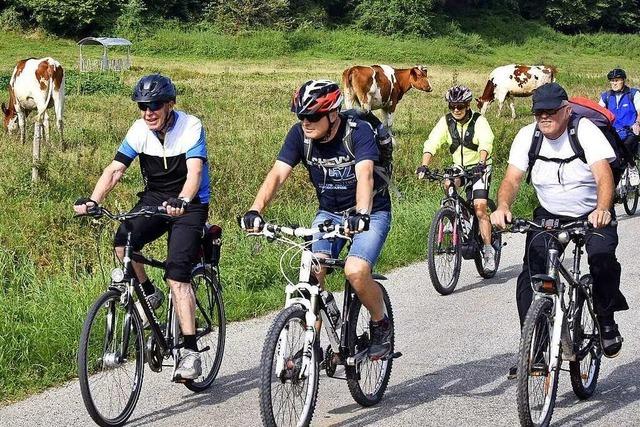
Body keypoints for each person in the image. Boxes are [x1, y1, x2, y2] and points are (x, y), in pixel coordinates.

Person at [239, 79, 393, 359]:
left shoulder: (357, 134)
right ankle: (313, 345)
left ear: (333, 114)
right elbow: (277, 174)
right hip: (329, 213)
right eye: (301, 116)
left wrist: (361, 215)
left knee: (356, 271)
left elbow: (365, 175)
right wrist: (255, 211)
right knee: (312, 271)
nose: (305, 122)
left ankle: (380, 323)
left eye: (312, 116)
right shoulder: (300, 135)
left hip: (371, 211)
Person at [73, 74, 210, 380]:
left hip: (189, 202)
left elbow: (195, 173)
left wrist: (184, 200)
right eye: (143, 106)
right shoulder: (139, 130)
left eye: (155, 105)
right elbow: (115, 170)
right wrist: (94, 201)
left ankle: (189, 352)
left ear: (170, 104)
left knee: (177, 273)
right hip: (155, 198)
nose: (149, 111)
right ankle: (148, 292)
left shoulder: (191, 126)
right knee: (122, 240)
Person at [491, 82, 629, 378]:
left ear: (566, 110)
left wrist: (603, 208)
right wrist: (503, 206)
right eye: (539, 112)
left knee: (602, 259)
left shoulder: (585, 132)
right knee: (531, 274)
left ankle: (605, 319)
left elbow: (603, 175)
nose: (544, 117)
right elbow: (513, 179)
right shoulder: (528, 136)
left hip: (592, 213)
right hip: (549, 214)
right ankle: (536, 347)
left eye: (551, 111)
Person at [416, 85, 496, 271]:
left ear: (468, 105)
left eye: (460, 106)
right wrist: (424, 165)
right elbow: (432, 142)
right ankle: (453, 217)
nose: (456, 110)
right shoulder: (446, 122)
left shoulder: (479, 121)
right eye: (452, 106)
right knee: (448, 181)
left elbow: (486, 141)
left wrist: (482, 162)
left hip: (479, 166)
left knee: (480, 207)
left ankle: (488, 249)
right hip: (459, 167)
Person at [599, 68, 640, 185]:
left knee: (625, 146)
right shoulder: (606, 96)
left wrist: (637, 123)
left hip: (630, 131)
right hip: (613, 131)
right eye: (612, 81)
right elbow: (599, 112)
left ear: (623, 80)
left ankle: (632, 167)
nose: (614, 83)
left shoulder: (633, 94)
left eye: (617, 80)